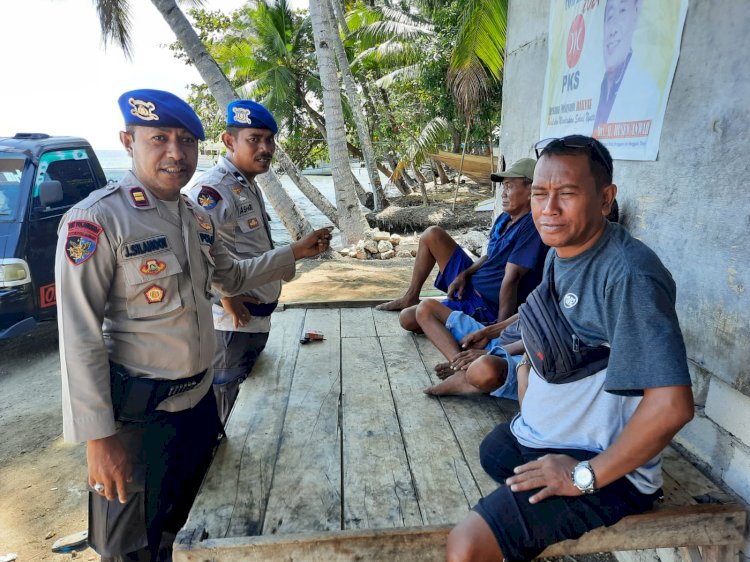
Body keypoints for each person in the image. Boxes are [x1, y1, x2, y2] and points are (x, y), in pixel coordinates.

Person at [55, 89, 331, 561]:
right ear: (128, 141)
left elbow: (233, 276)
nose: (175, 153)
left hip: (199, 405)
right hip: (139, 420)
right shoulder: (98, 219)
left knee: (187, 527)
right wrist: (98, 439)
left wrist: (294, 252)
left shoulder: (196, 218)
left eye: (185, 140)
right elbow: (78, 334)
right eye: (158, 138)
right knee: (130, 548)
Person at [445, 135, 694, 561]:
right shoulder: (564, 251)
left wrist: (583, 476)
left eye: (567, 194)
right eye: (540, 194)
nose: (548, 209)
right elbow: (554, 326)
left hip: (608, 466)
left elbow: (672, 406)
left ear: (605, 199)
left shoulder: (629, 276)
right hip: (562, 435)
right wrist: (520, 365)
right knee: (496, 451)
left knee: (466, 546)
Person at [186, 100, 293, 425]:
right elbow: (193, 254)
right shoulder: (213, 189)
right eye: (255, 139)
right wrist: (225, 296)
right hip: (231, 327)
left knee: (250, 404)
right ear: (229, 141)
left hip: (254, 322)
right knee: (227, 404)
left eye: (270, 140)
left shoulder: (246, 183)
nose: (266, 148)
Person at [376, 158, 548, 332]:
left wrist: (498, 332)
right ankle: (411, 296)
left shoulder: (532, 226)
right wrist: (464, 274)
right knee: (432, 235)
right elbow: (490, 256)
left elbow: (512, 279)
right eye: (503, 186)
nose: (503, 193)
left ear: (531, 191)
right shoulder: (506, 218)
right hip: (470, 283)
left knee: (408, 319)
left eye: (510, 186)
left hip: (486, 304)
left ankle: (469, 322)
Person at [592, 0, 660, 138]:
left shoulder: (647, 90)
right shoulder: (599, 87)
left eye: (622, 11)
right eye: (610, 17)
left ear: (636, 12)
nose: (613, 30)